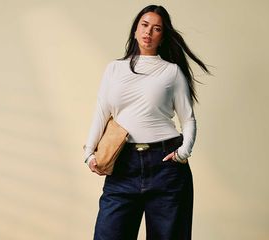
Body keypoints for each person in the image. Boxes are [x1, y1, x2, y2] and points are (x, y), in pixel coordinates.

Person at [83, 4, 210, 240]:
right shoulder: (114, 69)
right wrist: (89, 153)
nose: (148, 32)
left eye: (156, 28)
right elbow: (101, 112)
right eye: (144, 25)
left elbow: (188, 119)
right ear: (135, 30)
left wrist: (184, 151)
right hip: (122, 165)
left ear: (162, 36)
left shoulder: (171, 72)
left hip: (166, 166)